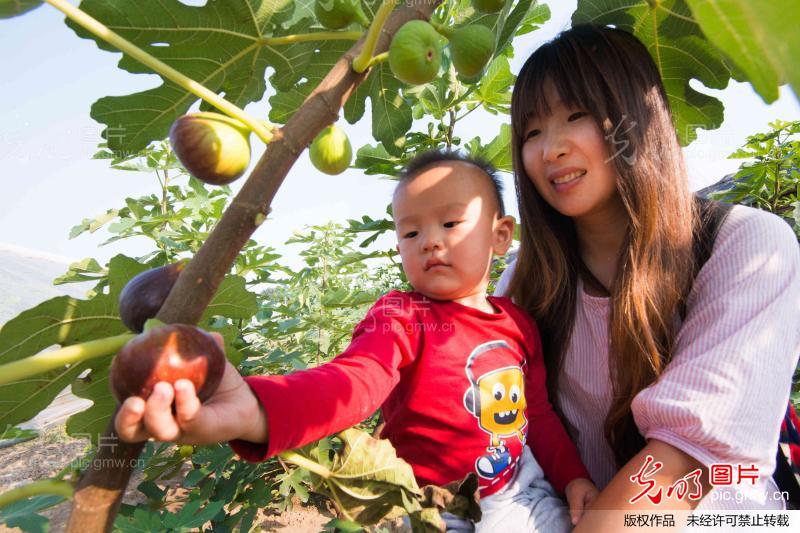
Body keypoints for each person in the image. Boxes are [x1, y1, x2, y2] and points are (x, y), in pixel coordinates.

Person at [114, 151, 600, 531]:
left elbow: (536, 414)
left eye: (450, 224)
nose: (430, 240)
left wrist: (573, 476)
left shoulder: (516, 322)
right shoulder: (401, 315)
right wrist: (259, 410)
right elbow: (354, 382)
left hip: (522, 491)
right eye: (411, 231)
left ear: (500, 236)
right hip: (441, 508)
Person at [494, 23, 800, 529]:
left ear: (634, 119)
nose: (551, 149)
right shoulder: (523, 285)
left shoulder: (749, 245)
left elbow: (684, 464)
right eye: (531, 132)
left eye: (577, 115)